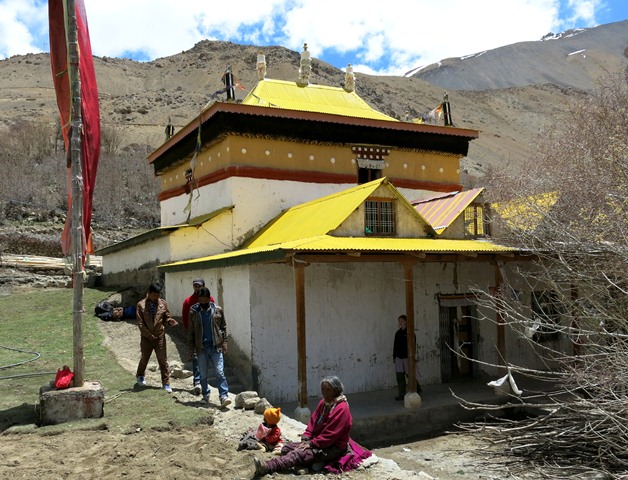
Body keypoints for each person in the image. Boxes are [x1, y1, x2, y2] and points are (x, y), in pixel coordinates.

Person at [254, 376, 371, 476]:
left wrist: (311, 444)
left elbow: (330, 435)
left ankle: (267, 467)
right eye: (323, 390)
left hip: (331, 447)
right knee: (287, 448)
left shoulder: (342, 408)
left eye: (328, 390)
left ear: (336, 391)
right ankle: (308, 461)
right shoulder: (324, 403)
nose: (325, 393)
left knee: (298, 453)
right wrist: (306, 437)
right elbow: (313, 421)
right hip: (318, 442)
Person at [187, 287, 231, 407]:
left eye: (205, 300)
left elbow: (223, 327)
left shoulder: (217, 310)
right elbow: (190, 332)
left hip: (216, 346)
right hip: (201, 347)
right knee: (203, 374)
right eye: (200, 300)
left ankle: (223, 396)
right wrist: (191, 349)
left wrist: (225, 343)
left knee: (220, 372)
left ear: (209, 299)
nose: (203, 303)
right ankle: (205, 394)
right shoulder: (193, 311)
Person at [135, 284, 178, 393]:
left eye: (158, 295)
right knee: (145, 358)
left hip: (159, 337)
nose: (156, 298)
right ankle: (140, 375)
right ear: (149, 294)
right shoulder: (141, 305)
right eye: (154, 295)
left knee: (163, 361)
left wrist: (170, 321)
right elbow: (140, 323)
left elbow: (167, 316)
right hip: (146, 338)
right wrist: (148, 335)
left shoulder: (162, 304)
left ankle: (166, 383)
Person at [182, 278, 214, 395]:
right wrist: (191, 333)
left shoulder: (210, 300)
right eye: (195, 286)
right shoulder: (188, 301)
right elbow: (186, 319)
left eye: (199, 286)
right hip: (195, 336)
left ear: (203, 286)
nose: (197, 288)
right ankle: (197, 382)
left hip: (208, 336)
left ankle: (204, 381)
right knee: (196, 358)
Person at [393, 314, 422, 401]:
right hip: (398, 357)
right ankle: (401, 394)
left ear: (405, 322)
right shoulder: (397, 333)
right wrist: (394, 356)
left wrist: (412, 357)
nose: (400, 323)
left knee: (410, 375)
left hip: (407, 357)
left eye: (401, 321)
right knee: (400, 376)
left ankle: (417, 389)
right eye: (399, 321)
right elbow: (395, 346)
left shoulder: (410, 333)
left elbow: (413, 346)